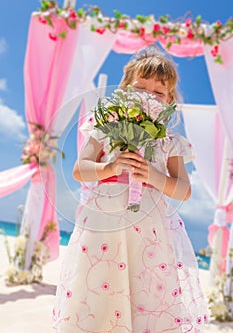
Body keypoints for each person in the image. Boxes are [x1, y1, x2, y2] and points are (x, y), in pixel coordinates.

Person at [53, 47, 209, 333]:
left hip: (148, 228)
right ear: (124, 90)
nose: (148, 97)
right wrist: (109, 169)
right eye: (140, 88)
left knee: (144, 292)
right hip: (103, 222)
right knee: (99, 285)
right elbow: (80, 169)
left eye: (158, 92)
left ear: (169, 100)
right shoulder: (104, 127)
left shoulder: (170, 142)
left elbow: (183, 190)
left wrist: (154, 175)